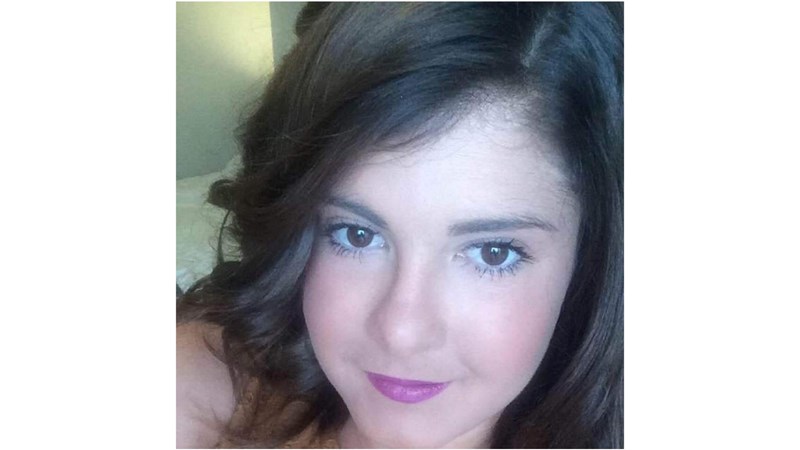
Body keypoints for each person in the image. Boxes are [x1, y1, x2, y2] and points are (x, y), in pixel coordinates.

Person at [177, 2, 623, 448]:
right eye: (356, 235)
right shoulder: (205, 389)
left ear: (588, 258)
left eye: (493, 253)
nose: (401, 332)